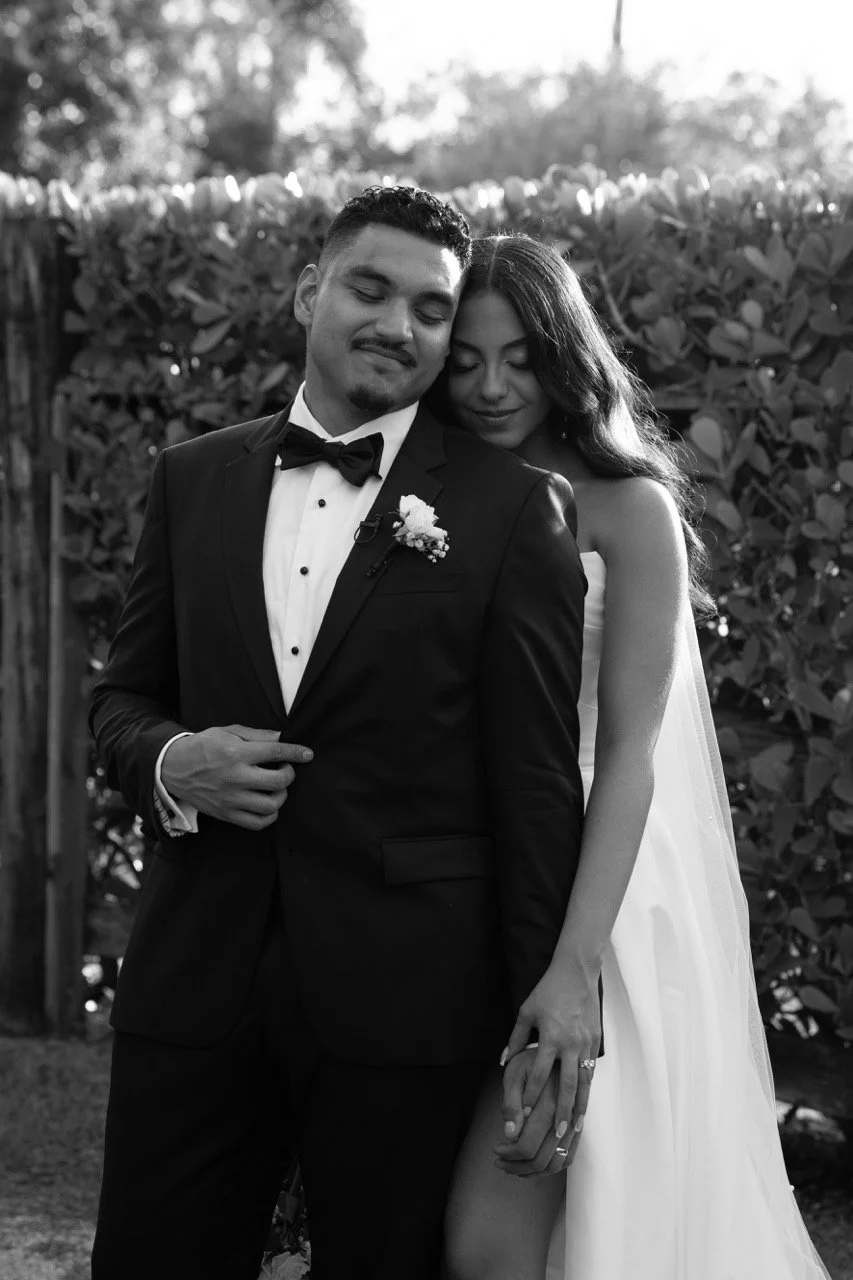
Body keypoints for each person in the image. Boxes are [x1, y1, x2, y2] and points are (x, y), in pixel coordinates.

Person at [88, 190, 588, 1280]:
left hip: (405, 1001)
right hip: (195, 979)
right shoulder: (192, 478)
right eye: (370, 288)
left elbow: (537, 786)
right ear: (310, 288)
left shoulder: (513, 509)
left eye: (428, 308)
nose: (397, 325)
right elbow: (119, 703)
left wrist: (534, 1010)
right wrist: (177, 761)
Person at [440, 233, 831, 1280]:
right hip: (465, 858)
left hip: (602, 882)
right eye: (466, 358)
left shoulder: (628, 506)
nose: (488, 386)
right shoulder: (427, 487)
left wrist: (576, 970)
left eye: (519, 357)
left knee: (573, 1219)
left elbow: (628, 755)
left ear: (564, 355)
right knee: (491, 1239)